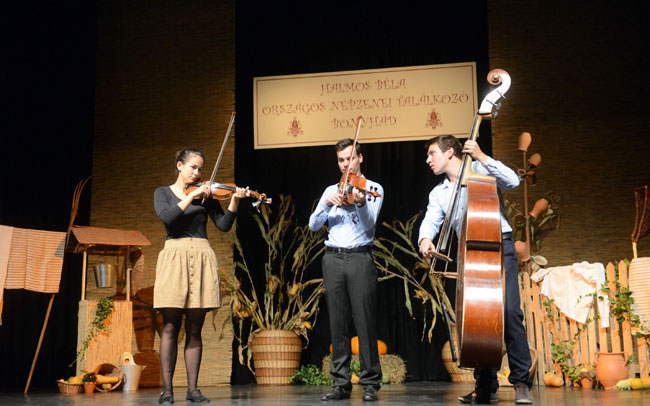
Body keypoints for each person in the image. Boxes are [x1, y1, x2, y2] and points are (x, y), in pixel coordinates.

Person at [417, 135, 533, 404]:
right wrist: (425, 240)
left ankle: (521, 383)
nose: (428, 160)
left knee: (509, 312)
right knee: (479, 318)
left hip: (499, 246)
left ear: (449, 153)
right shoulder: (439, 192)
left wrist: (481, 156)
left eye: (432, 153)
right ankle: (485, 385)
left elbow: (514, 182)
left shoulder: (480, 170)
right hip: (468, 251)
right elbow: (430, 220)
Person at [153, 148, 249, 404]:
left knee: (195, 328)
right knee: (171, 326)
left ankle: (193, 389)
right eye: (193, 167)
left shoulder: (207, 197)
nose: (197, 173)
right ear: (179, 166)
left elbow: (224, 226)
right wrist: (192, 195)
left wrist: (235, 201)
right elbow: (168, 219)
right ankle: (167, 390)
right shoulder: (163, 193)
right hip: (175, 256)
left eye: (200, 169)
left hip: (201, 255)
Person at [309, 139, 384, 402]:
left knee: (364, 321)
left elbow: (369, 225)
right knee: (337, 322)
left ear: (360, 159)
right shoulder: (332, 189)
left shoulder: (373, 189)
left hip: (360, 258)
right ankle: (340, 383)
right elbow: (313, 225)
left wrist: (361, 203)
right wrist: (326, 204)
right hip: (332, 259)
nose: (345, 164)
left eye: (350, 158)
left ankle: (371, 383)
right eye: (341, 160)